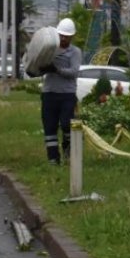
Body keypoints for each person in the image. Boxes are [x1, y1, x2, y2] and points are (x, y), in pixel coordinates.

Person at [38, 18, 82, 164]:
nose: (63, 38)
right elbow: (36, 63)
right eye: (61, 35)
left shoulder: (75, 52)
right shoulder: (50, 49)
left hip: (67, 95)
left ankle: (68, 150)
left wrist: (57, 70)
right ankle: (53, 159)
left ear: (72, 37)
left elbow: (73, 72)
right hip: (49, 93)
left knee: (66, 124)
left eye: (66, 36)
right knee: (49, 128)